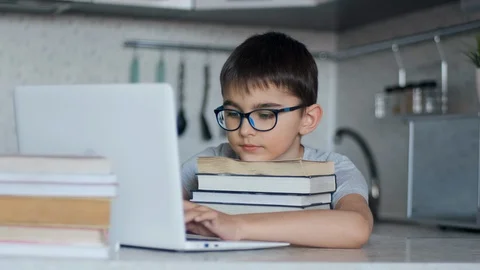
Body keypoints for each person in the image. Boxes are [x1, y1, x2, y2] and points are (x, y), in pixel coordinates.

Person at [181, 31, 373, 248]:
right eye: (233, 114)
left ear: (307, 119)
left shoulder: (334, 168)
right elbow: (158, 203)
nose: (245, 130)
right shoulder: (208, 161)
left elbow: (357, 227)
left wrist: (236, 226)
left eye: (265, 115)